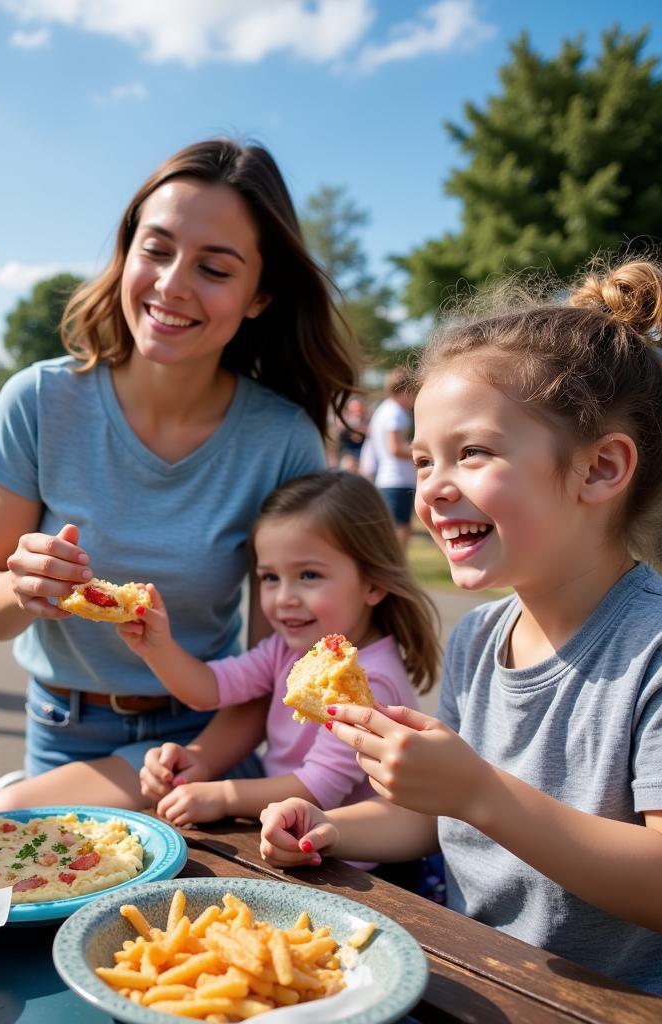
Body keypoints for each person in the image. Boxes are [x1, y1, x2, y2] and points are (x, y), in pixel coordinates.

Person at [259, 259, 662, 995]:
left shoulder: (650, 652)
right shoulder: (479, 638)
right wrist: (329, 827)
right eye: (421, 459)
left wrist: (480, 792)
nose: (433, 487)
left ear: (601, 468)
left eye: (471, 452)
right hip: (476, 981)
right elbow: (430, 820)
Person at [0, 138, 358, 812]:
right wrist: (24, 588)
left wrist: (196, 763)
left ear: (260, 295)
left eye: (215, 268)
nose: (173, 284)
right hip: (58, 729)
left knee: (6, 823)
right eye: (157, 249)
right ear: (126, 252)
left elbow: (283, 666)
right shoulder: (36, 400)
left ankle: (23, 802)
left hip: (202, 736)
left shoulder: (283, 439)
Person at [123, 471, 439, 832]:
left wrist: (222, 796)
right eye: (270, 578)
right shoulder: (287, 650)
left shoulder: (370, 679)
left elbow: (319, 787)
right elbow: (210, 688)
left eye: (308, 576)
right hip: (282, 829)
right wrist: (157, 647)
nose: (285, 598)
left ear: (374, 583)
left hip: (349, 865)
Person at [367, 367, 416, 547]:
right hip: (397, 479)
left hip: (387, 479)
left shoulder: (383, 410)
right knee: (400, 529)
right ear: (403, 390)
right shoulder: (396, 413)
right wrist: (421, 450)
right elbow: (395, 448)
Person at [336, 397, 368, 472]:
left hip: (362, 456)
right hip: (347, 455)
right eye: (354, 410)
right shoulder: (344, 423)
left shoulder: (366, 422)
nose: (357, 413)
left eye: (358, 409)